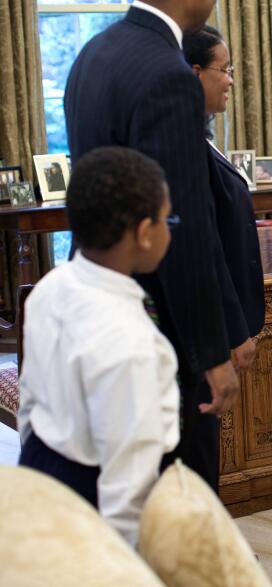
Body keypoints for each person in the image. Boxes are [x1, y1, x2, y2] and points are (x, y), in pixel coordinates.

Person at [64, 0, 241, 491]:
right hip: (159, 323)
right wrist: (211, 351)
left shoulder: (93, 54)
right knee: (178, 485)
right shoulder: (167, 73)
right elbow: (182, 224)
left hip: (98, 300)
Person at [18, 146, 178, 547]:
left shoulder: (50, 287)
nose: (170, 230)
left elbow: (29, 400)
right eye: (166, 219)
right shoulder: (130, 342)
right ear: (144, 234)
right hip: (94, 493)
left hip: (40, 462)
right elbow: (128, 481)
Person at [184, 25, 264, 368]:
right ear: (195, 72)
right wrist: (232, 330)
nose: (231, 80)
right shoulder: (183, 145)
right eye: (225, 69)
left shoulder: (199, 135)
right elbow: (204, 246)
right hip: (210, 330)